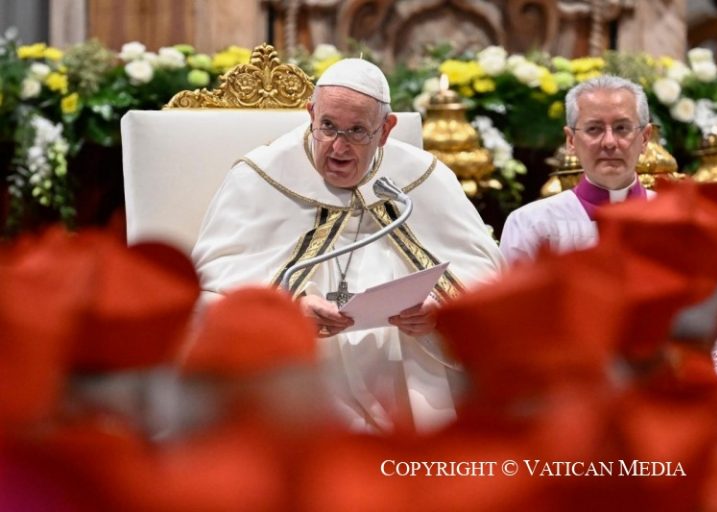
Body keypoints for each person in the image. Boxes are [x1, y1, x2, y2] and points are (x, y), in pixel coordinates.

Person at [192, 58, 504, 433]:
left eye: (357, 131)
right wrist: (286, 312)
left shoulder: (423, 177)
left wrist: (442, 311)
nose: (338, 147)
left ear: (385, 130)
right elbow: (210, 287)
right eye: (327, 126)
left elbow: (488, 278)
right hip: (299, 363)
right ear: (311, 113)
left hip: (410, 358)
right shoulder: (259, 176)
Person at [499, 75, 717, 378]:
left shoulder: (687, 222)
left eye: (622, 128)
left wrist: (696, 377)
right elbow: (514, 327)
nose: (609, 142)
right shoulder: (531, 224)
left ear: (645, 137)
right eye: (594, 129)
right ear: (571, 140)